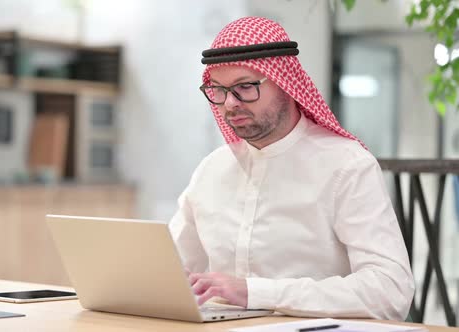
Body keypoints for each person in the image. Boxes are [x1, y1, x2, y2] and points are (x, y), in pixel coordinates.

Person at [168, 16, 414, 321]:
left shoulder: (346, 166)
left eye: (245, 87)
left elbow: (390, 291)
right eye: (217, 90)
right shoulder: (211, 170)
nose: (229, 103)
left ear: (286, 83)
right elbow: (169, 271)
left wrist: (253, 292)